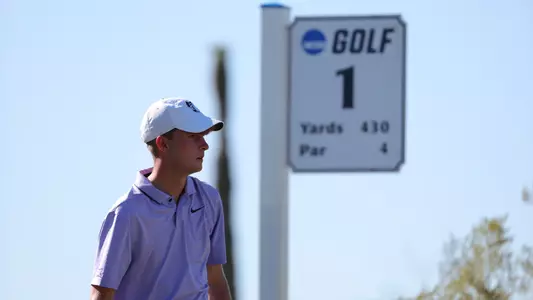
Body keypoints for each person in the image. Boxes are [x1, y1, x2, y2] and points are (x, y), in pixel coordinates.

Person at [90, 98, 232, 300]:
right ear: (163, 144)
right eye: (193, 136)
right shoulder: (126, 213)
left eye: (204, 136)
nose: (205, 145)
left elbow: (215, 281)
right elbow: (101, 294)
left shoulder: (209, 199)